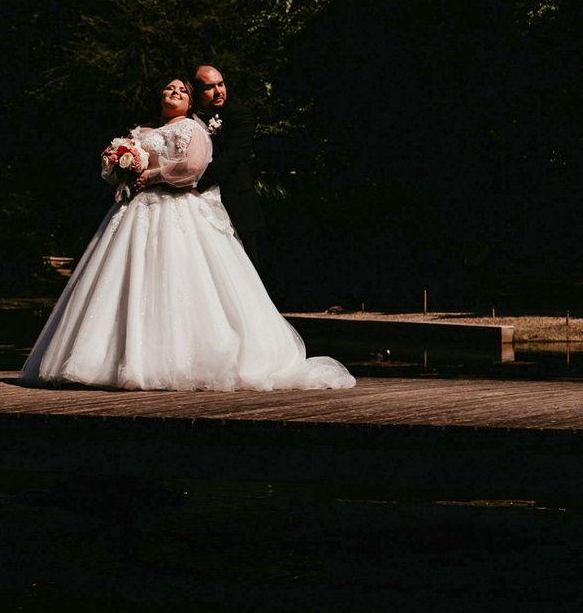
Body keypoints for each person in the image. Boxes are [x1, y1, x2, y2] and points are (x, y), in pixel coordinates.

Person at [18, 76, 354, 391]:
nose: (175, 92)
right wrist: (121, 168)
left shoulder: (192, 128)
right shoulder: (139, 131)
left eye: (182, 89)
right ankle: (110, 358)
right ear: (159, 95)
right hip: (136, 211)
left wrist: (150, 176)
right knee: (125, 279)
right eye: (169, 88)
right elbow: (120, 170)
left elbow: (192, 169)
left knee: (181, 276)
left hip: (178, 207)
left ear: (189, 101)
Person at [190, 65, 264, 267]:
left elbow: (231, 157)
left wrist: (190, 187)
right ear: (195, 90)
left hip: (236, 205)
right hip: (197, 211)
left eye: (221, 84)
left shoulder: (240, 115)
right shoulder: (185, 120)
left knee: (246, 270)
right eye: (209, 87)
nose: (219, 91)